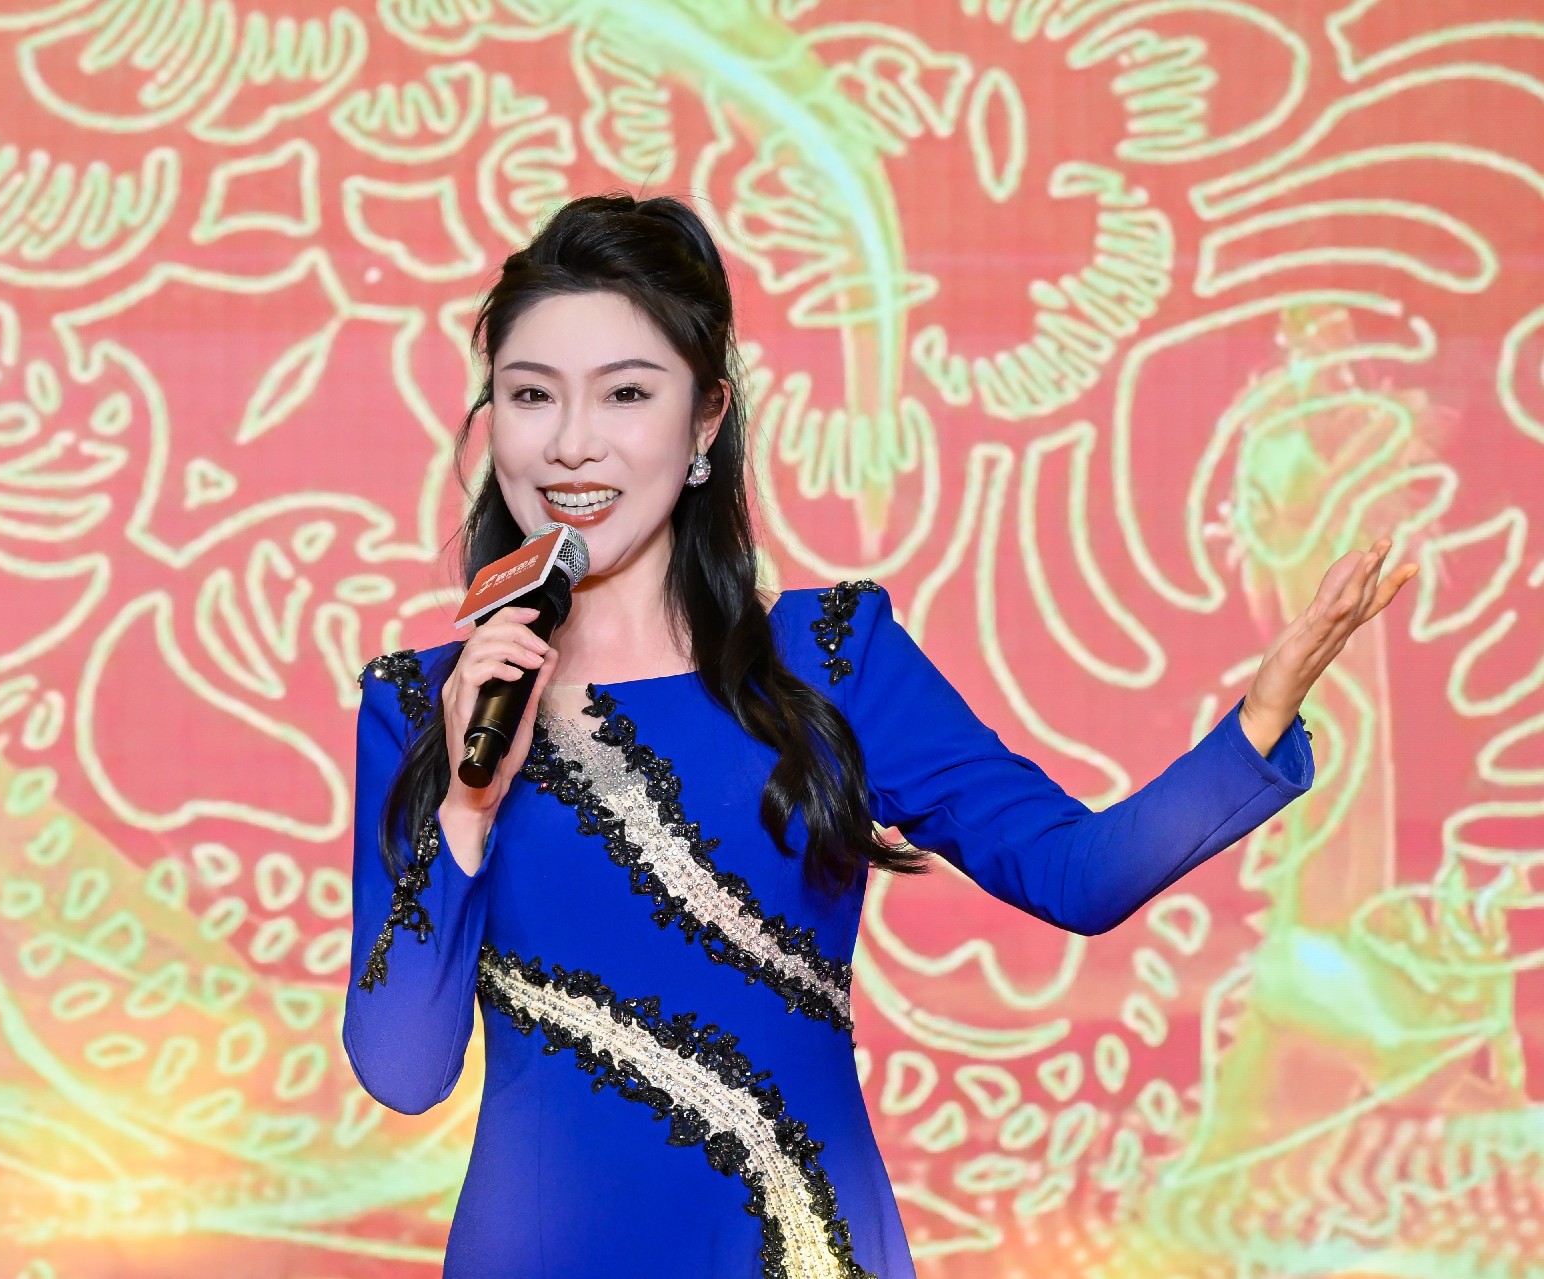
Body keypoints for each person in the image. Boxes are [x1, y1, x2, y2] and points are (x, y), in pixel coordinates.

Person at [341, 193, 1416, 1278]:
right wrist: (467, 805)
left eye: (626, 393)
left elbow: (1076, 873)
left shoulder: (830, 659)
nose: (573, 444)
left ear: (705, 421)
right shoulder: (422, 706)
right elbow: (402, 1068)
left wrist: (1260, 718)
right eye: (531, 394)